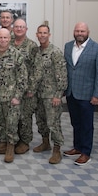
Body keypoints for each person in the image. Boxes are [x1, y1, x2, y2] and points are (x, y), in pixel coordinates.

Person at [63, 22, 98, 166]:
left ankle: (86, 153)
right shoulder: (68, 46)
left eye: (82, 31)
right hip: (71, 93)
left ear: (88, 32)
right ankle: (77, 147)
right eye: (77, 31)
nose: (79, 33)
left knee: (87, 124)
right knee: (75, 122)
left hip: (88, 94)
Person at [0, 28, 27, 163]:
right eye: (0, 38)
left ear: (10, 39)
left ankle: (10, 146)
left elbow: (22, 77)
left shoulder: (16, 54)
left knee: (11, 123)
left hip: (11, 97)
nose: (2, 40)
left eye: (5, 38)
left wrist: (17, 96)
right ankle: (2, 144)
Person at [32, 24, 67, 164]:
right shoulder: (36, 51)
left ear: (49, 35)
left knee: (53, 123)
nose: (42, 35)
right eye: (40, 33)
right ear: (36, 34)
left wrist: (58, 94)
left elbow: (62, 75)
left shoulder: (55, 52)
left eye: (45, 33)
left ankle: (57, 150)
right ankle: (45, 142)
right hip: (38, 94)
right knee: (41, 121)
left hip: (51, 94)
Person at [11, 19, 39, 155]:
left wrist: (31, 88)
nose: (19, 29)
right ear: (12, 28)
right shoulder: (8, 43)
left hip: (26, 88)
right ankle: (12, 140)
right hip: (10, 87)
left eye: (22, 27)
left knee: (25, 116)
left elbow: (36, 69)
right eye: (16, 27)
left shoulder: (32, 46)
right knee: (11, 115)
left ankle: (25, 141)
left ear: (26, 29)